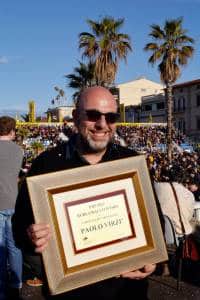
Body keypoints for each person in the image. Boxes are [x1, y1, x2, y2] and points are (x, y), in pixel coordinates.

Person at [12, 86, 156, 300]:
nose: (102, 124)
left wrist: (152, 258)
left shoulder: (132, 163)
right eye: (92, 115)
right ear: (76, 117)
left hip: (127, 290)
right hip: (70, 292)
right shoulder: (46, 164)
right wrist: (31, 235)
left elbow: (155, 222)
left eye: (111, 117)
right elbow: (19, 227)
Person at [0, 116, 23, 299]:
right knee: (14, 246)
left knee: (0, 248)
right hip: (14, 202)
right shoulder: (19, 151)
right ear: (12, 131)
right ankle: (16, 284)